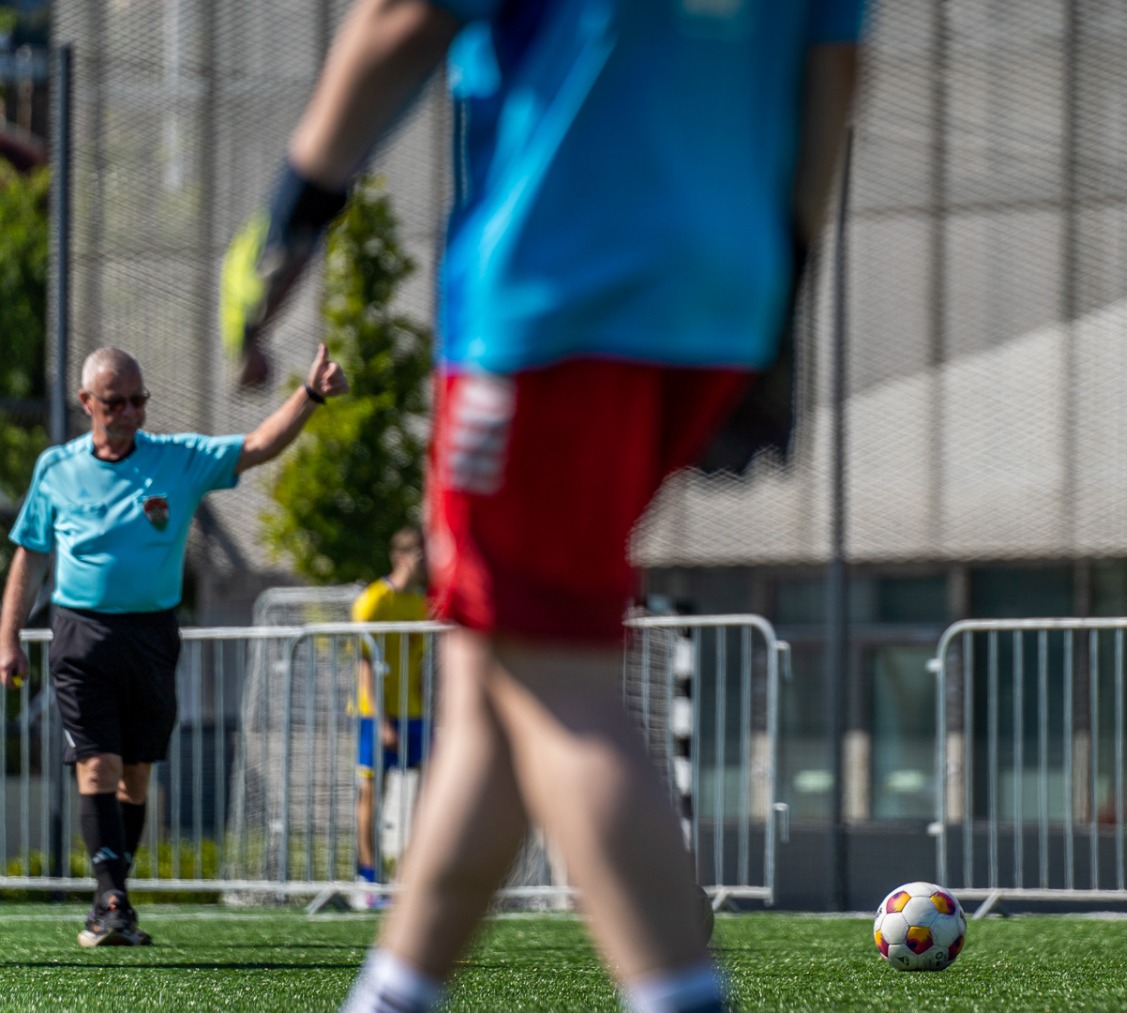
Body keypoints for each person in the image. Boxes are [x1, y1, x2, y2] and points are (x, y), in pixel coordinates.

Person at [216, 3, 860, 1010]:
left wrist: (294, 210)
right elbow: (834, 72)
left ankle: (679, 985)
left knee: (554, 684)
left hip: (557, 288)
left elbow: (402, 17)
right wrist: (778, 291)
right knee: (489, 689)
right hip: (722, 292)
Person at [0, 344, 348, 947]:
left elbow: (257, 445)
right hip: (81, 636)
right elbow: (29, 556)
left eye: (139, 401)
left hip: (152, 635)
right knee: (98, 762)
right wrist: (7, 638)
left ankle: (114, 895)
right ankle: (110, 900)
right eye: (116, 402)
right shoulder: (56, 468)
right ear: (86, 403)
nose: (130, 413)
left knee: (136, 775)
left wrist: (310, 395)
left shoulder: (178, 459)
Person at [351, 526, 431, 909]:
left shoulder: (420, 604)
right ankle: (367, 880)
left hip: (413, 713)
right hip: (376, 714)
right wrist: (381, 720)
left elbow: (417, 666)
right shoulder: (374, 601)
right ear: (401, 557)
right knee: (371, 792)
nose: (425, 562)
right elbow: (365, 664)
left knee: (433, 790)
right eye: (419, 555)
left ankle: (408, 879)